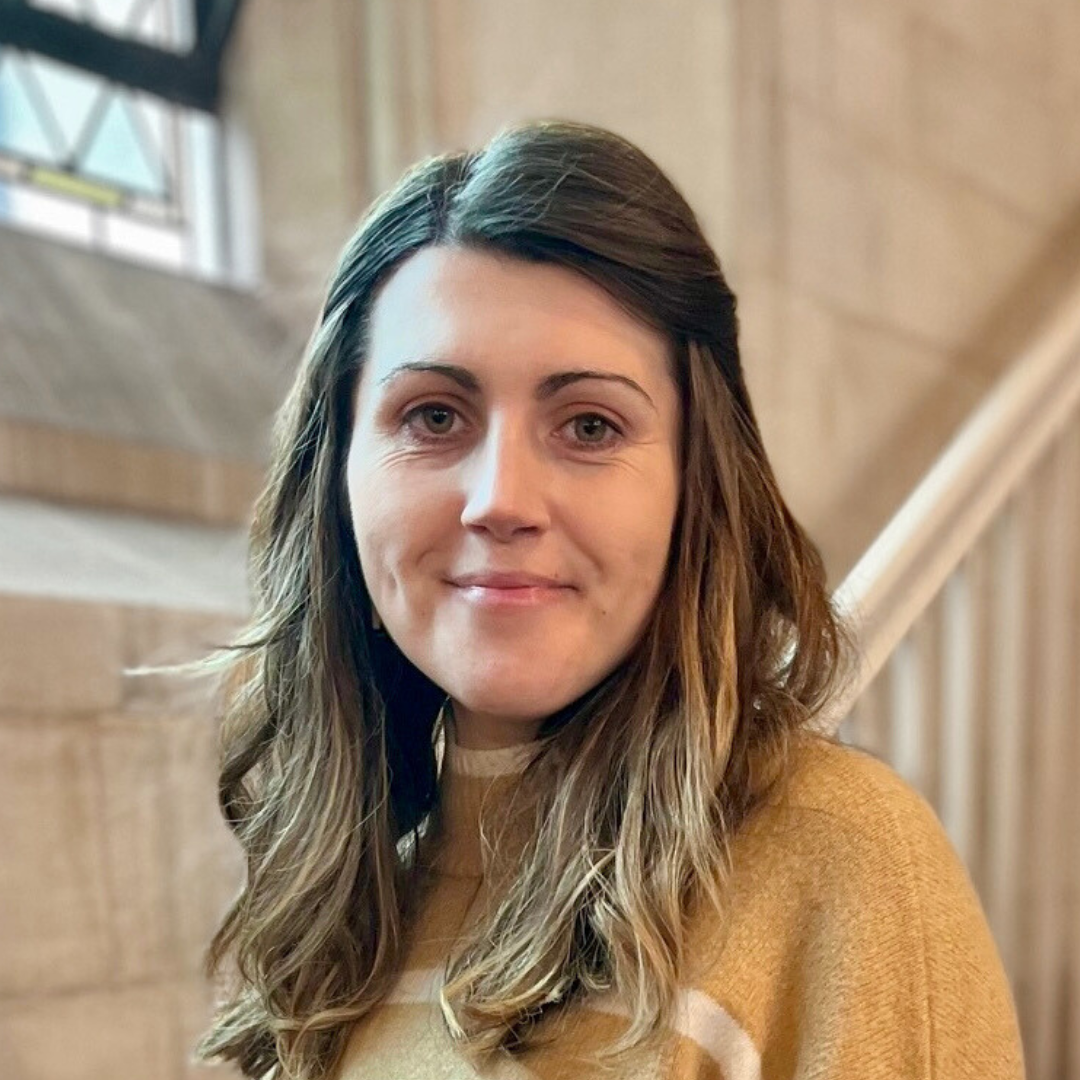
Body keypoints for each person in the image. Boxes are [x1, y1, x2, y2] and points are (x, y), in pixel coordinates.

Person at [194, 120, 1025, 1080]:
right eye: (433, 415)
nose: (500, 498)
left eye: (589, 423)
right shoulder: (350, 901)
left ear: (694, 483)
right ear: (336, 477)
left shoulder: (841, 869)